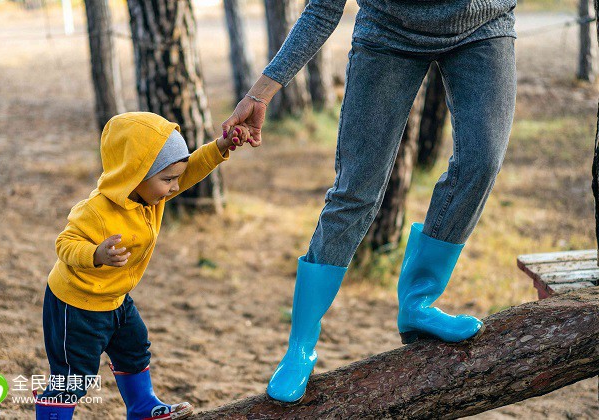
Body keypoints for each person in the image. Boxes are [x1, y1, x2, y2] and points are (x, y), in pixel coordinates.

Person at [223, 0, 517, 403]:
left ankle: (418, 303)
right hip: (389, 31)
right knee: (355, 191)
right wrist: (262, 91)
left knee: (481, 163)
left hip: (484, 24)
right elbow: (323, 9)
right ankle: (300, 348)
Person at [35, 112, 249, 419]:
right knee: (74, 376)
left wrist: (221, 146)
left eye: (176, 178)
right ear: (135, 175)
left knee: (134, 348)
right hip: (77, 306)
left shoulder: (152, 195)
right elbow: (64, 244)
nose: (175, 187)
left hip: (116, 299)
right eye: (168, 179)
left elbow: (190, 170)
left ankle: (142, 407)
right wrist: (96, 254)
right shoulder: (96, 210)